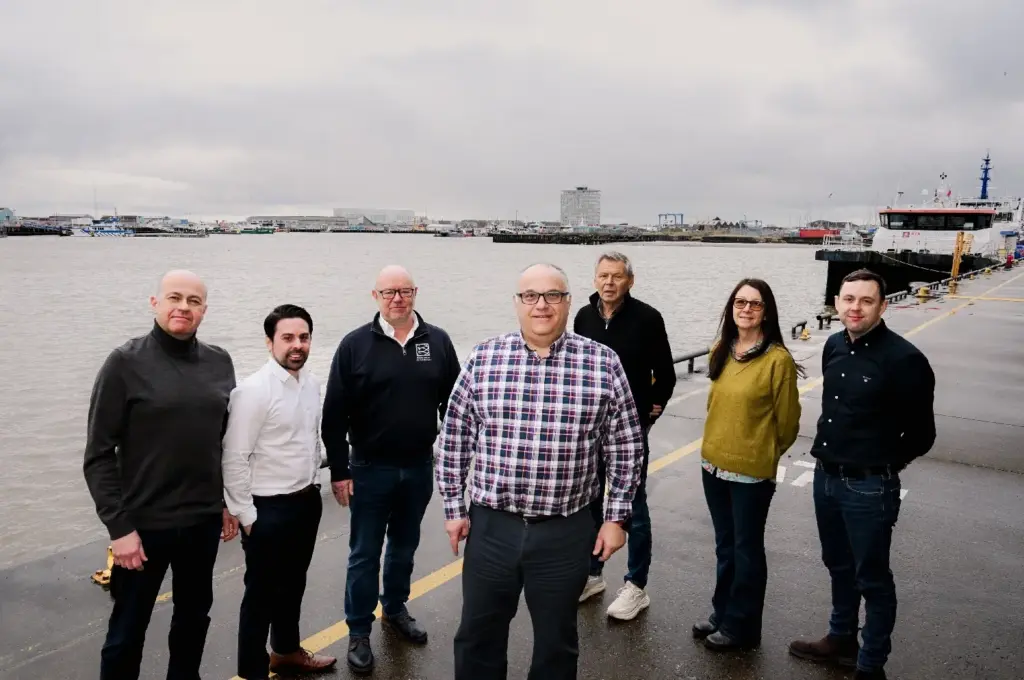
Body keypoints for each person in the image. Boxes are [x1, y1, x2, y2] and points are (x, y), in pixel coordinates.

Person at [436, 263, 647, 680]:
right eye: (530, 296)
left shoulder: (602, 363)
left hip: (565, 532)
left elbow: (626, 446)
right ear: (517, 304)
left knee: (556, 643)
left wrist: (616, 518)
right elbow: (454, 437)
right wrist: (453, 507)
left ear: (568, 302)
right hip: (492, 529)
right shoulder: (485, 358)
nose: (541, 305)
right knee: (478, 636)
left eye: (553, 295)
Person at [83, 269, 239, 680]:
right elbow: (98, 455)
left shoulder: (220, 362)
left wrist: (226, 503)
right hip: (143, 527)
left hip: (201, 523)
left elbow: (224, 443)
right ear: (155, 303)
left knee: (192, 623)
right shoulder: (124, 363)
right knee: (127, 632)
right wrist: (119, 529)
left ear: (204, 310)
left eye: (193, 301)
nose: (183, 308)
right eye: (175, 298)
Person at [789, 268, 936, 680]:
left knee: (872, 577)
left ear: (883, 305)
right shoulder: (834, 345)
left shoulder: (904, 359)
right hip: (826, 477)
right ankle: (840, 639)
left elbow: (923, 434)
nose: (855, 308)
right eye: (848, 299)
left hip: (869, 485)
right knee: (837, 564)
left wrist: (883, 464)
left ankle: (871, 665)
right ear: (836, 303)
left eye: (866, 300)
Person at [321, 265, 461, 676]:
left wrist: (453, 459)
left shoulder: (436, 341)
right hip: (369, 468)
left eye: (404, 291)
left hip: (419, 466)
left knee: (404, 546)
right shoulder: (354, 345)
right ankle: (359, 631)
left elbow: (452, 406)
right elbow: (333, 414)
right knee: (364, 553)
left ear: (415, 293)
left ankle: (395, 609)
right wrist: (339, 469)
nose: (397, 298)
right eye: (389, 292)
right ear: (375, 296)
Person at [222, 304, 337, 679]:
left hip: (305, 501)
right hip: (267, 508)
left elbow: (309, 441)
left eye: (303, 337)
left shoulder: (312, 383)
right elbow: (234, 457)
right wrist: (247, 515)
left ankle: (286, 651)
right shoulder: (253, 392)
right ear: (270, 341)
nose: (297, 345)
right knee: (260, 597)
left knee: (293, 586)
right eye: (287, 338)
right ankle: (251, 671)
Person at [693, 278, 802, 652]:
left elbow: (787, 423)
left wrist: (762, 454)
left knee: (746, 549)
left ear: (766, 311)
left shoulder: (777, 360)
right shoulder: (720, 350)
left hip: (751, 473)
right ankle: (721, 611)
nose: (746, 309)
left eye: (755, 304)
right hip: (713, 466)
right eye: (740, 302)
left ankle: (742, 627)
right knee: (725, 546)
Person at [573, 250, 677, 620]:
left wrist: (651, 409)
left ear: (630, 281)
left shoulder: (648, 318)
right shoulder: (583, 317)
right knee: (590, 503)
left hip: (630, 430)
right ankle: (592, 574)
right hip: (588, 429)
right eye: (603, 276)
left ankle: (636, 586)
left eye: (617, 276)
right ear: (594, 279)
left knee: (634, 506)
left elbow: (665, 374)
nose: (609, 283)